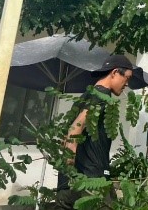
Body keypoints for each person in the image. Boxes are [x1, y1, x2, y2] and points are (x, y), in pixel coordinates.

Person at [52, 55, 133, 210]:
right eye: (127, 78)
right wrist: (71, 156)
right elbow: (77, 125)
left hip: (70, 182)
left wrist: (68, 170)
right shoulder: (102, 95)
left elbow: (67, 133)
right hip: (91, 180)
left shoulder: (86, 95)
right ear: (115, 72)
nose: (127, 84)